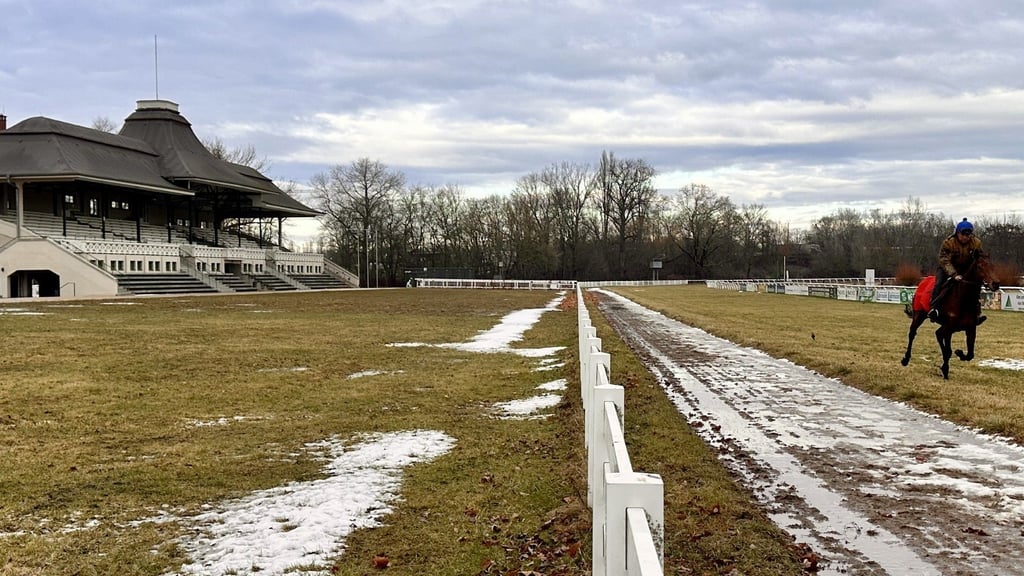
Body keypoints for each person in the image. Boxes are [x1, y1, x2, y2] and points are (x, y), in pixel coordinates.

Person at [928, 218, 987, 324]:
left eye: (968, 235)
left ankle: (976, 312)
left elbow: (980, 258)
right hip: (947, 267)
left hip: (966, 269)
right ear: (958, 233)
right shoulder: (948, 243)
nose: (965, 237)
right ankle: (934, 308)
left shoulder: (976, 243)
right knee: (939, 283)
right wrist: (954, 274)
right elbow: (943, 259)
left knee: (975, 285)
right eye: (963, 234)